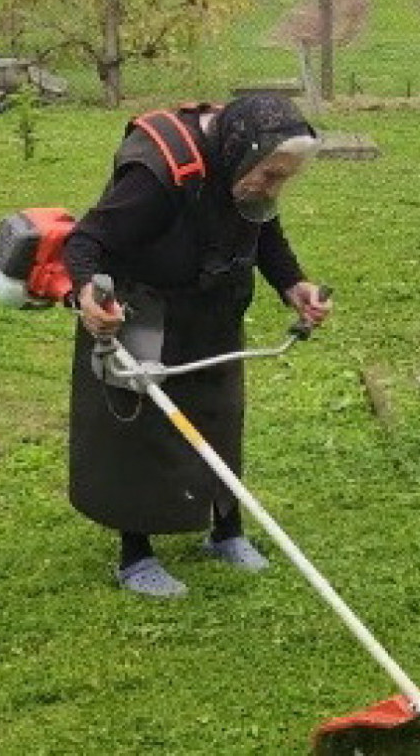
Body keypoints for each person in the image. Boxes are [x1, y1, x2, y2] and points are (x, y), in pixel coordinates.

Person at [62, 94, 332, 598]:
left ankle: (225, 532)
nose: (273, 188)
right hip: (144, 311)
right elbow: (84, 241)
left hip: (211, 309)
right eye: (270, 175)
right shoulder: (158, 173)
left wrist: (293, 284)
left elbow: (262, 225)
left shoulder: (244, 170)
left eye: (283, 179)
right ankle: (135, 555)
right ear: (240, 151)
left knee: (219, 417)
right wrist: (86, 294)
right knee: (140, 429)